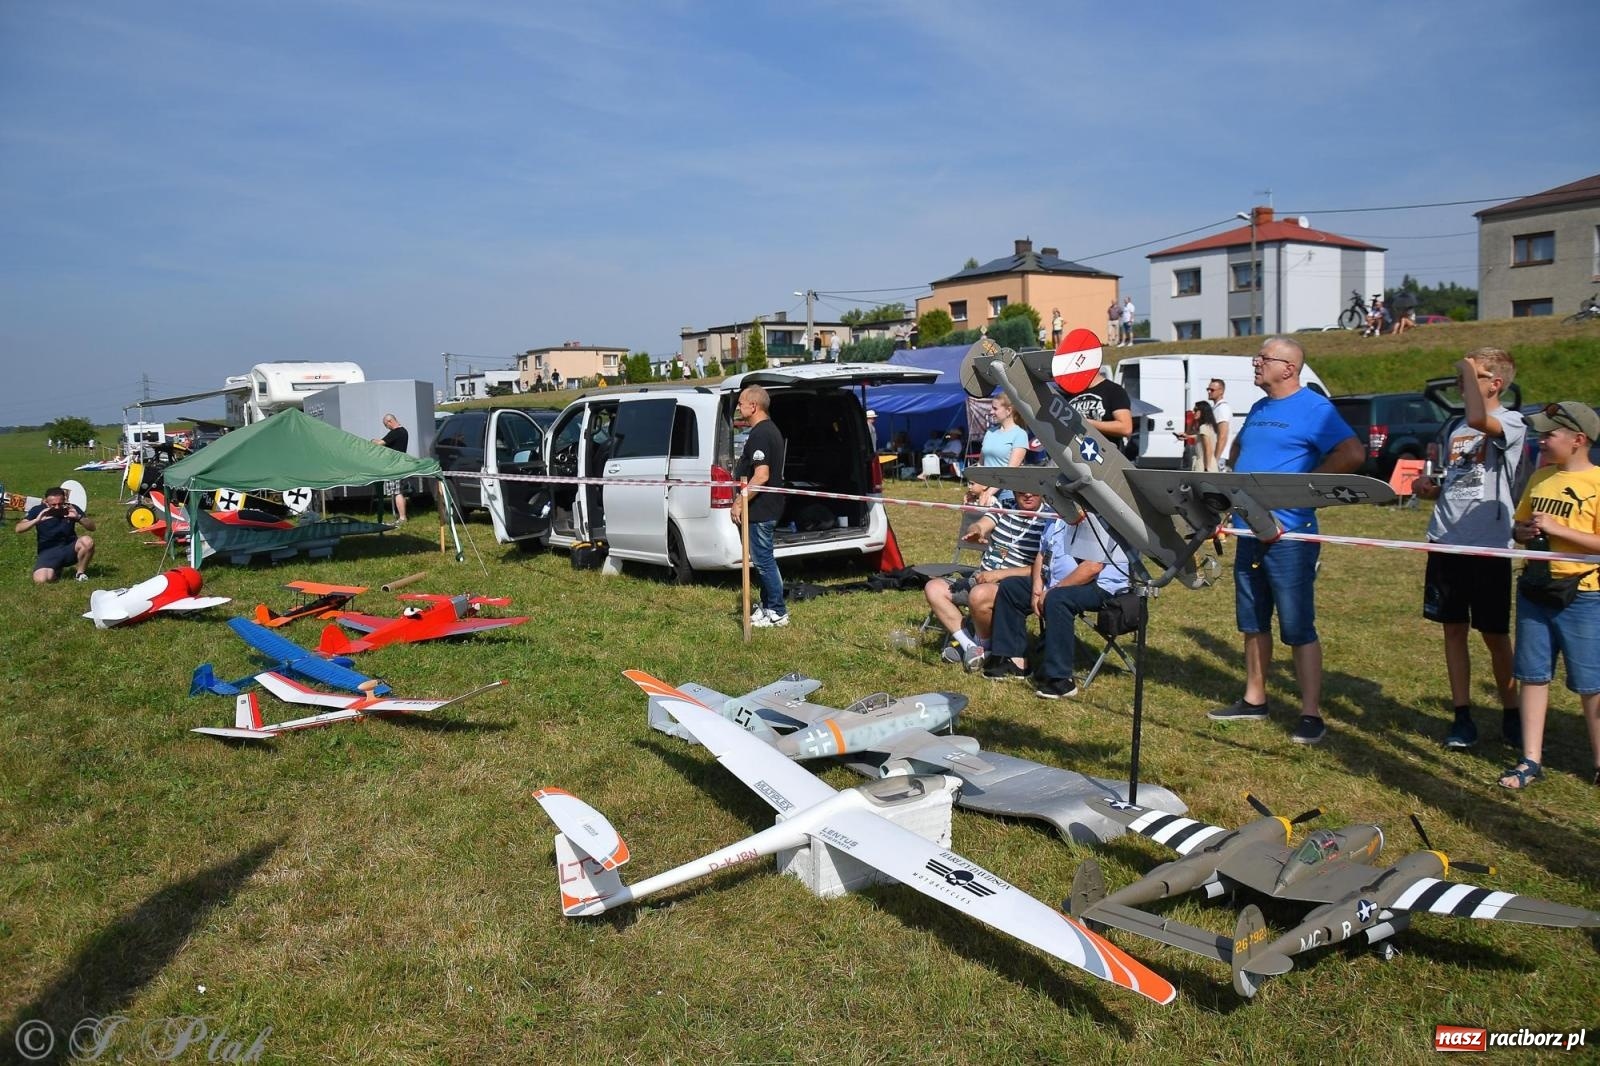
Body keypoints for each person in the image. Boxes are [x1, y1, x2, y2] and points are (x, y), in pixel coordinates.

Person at [1209, 337, 1363, 745]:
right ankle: (1254, 698)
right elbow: (1241, 448)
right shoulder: (1260, 408)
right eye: (1257, 356)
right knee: (1253, 620)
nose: (1256, 363)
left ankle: (1311, 713)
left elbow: (1351, 454)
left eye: (1264, 358)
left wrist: (1305, 493)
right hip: (1249, 530)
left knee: (1297, 625)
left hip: (1291, 536)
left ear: (1289, 368)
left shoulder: (1315, 408)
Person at [1414, 349, 1525, 750]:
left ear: (1495, 384)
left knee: (1495, 634)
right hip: (1446, 540)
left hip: (1487, 545)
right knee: (1453, 629)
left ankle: (1512, 713)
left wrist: (1461, 363)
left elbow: (1481, 419)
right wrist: (1427, 490)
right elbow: (1457, 479)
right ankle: (1462, 716)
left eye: (1473, 375)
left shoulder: (1511, 421)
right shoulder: (1456, 427)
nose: (1461, 380)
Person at [1497, 402, 1600, 791]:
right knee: (1532, 676)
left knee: (1592, 683)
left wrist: (1561, 529)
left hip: (1585, 595)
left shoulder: (1598, 483)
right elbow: (1520, 525)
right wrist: (1522, 533)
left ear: (1578, 440)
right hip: (1535, 590)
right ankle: (1530, 758)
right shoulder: (1540, 478)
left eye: (1550, 434)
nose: (1542, 439)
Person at [984, 510, 1131, 698]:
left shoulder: (1096, 517)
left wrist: (1051, 592)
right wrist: (1038, 587)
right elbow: (1042, 553)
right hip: (1056, 580)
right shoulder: (1054, 514)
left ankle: (1060, 679)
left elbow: (1092, 567)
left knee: (1057, 599)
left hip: (1103, 586)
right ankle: (1012, 660)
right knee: (1011, 587)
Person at [927, 491, 1047, 672]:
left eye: (1033, 490)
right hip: (981, 576)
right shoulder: (1004, 506)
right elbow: (981, 524)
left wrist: (999, 575)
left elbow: (1043, 567)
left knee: (978, 594)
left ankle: (984, 646)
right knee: (933, 588)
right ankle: (970, 645)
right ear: (1014, 491)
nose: (1028, 494)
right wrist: (975, 531)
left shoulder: (1048, 519)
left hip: (1013, 586)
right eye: (1022, 490)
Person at [731, 385, 788, 628]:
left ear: (753, 406)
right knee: (761, 559)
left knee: (764, 561)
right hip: (763, 508)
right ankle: (766, 607)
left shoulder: (760, 434)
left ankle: (777, 611)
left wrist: (739, 501)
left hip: (761, 509)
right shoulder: (767, 430)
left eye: (741, 402)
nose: (738, 407)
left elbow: (761, 476)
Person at [18, 486, 96, 583]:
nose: (57, 507)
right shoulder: (37, 510)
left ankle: (80, 573)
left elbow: (92, 527)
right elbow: (18, 528)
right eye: (53, 504)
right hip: (48, 551)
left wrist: (79, 517)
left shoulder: (71, 508)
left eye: (60, 504)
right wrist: (36, 520)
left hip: (70, 548)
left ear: (65, 500)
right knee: (41, 580)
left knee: (87, 541)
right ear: (46, 502)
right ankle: (56, 570)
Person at [969, 393, 1029, 508]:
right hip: (984, 492)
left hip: (1007, 494)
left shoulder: (1020, 435)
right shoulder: (990, 432)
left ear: (1009, 410)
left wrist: (989, 492)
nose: (991, 412)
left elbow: (1010, 471)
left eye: (995, 408)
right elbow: (981, 464)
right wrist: (975, 489)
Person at [1066, 367, 1134, 448]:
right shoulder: (1070, 393)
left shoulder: (1114, 390)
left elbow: (1125, 428)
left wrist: (1087, 423)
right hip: (1073, 453)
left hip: (1106, 455)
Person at [372, 413, 410, 523]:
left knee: (396, 492)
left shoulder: (395, 433)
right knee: (400, 492)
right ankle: (402, 516)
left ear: (390, 421)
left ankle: (402, 517)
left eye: (386, 425)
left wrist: (373, 441)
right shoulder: (404, 431)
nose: (387, 428)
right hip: (401, 464)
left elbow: (380, 443)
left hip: (394, 466)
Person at [1206, 378, 1233, 465]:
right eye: (1208, 389)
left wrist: (1215, 459)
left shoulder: (1222, 408)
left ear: (1221, 391)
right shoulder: (1216, 408)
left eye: (1212, 390)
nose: (1209, 391)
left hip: (1219, 456)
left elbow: (1222, 436)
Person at [1190, 400, 1220, 472]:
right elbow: (1201, 439)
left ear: (1203, 411)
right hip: (1211, 463)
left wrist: (1207, 468)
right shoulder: (1209, 426)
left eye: (1196, 410)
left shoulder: (1203, 427)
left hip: (1203, 464)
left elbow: (1208, 449)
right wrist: (1187, 436)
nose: (1193, 412)